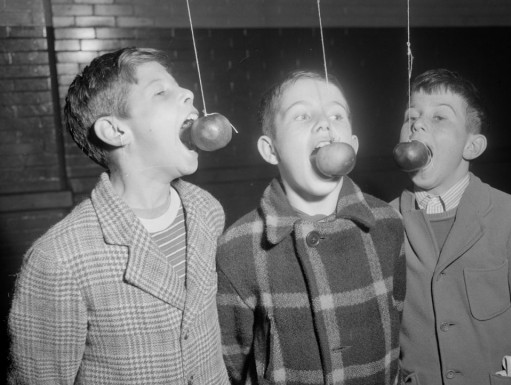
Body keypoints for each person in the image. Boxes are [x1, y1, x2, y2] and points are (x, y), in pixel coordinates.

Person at [8, 47, 230, 385]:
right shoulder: (59, 259)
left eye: (180, 86)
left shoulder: (207, 210)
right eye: (160, 92)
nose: (188, 93)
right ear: (115, 131)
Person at [216, 70, 406, 385]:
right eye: (302, 116)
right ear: (270, 149)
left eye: (337, 115)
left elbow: (397, 320)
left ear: (353, 145)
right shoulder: (237, 248)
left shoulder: (388, 222)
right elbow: (234, 363)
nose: (324, 124)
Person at [393, 69, 511, 385]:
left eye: (439, 118)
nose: (417, 124)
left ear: (472, 147)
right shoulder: (384, 222)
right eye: (411, 117)